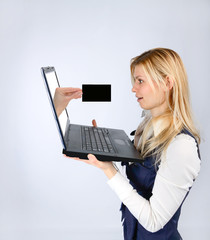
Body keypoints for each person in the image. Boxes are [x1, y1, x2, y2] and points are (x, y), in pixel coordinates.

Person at [63, 48, 201, 240]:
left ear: (167, 83)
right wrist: (104, 144)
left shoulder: (182, 147)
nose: (133, 88)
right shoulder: (148, 124)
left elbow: (154, 221)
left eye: (140, 81)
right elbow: (143, 161)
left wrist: (109, 170)